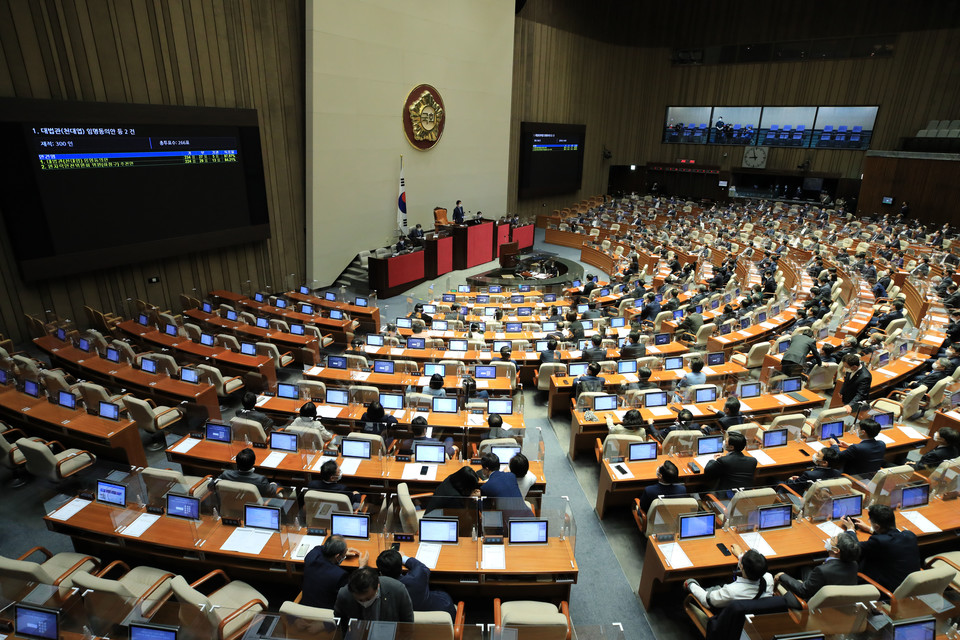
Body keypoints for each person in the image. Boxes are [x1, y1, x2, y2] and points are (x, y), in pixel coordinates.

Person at [840, 504, 921, 592]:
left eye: (869, 520)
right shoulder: (910, 535)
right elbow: (890, 537)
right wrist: (870, 529)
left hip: (888, 591)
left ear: (877, 526)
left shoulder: (878, 542)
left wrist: (850, 529)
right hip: (911, 587)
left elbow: (853, 547)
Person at [775, 533, 860, 609]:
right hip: (839, 601)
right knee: (805, 568)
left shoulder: (822, 570)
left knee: (784, 578)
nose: (829, 539)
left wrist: (782, 575)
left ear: (836, 550)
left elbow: (803, 591)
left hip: (814, 603)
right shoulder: (854, 564)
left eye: (832, 539)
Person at [685, 546, 773, 610]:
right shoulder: (768, 579)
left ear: (741, 566)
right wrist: (740, 555)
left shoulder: (731, 591)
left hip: (722, 616)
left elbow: (706, 600)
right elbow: (752, 566)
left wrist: (690, 583)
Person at [375, 549, 456, 618]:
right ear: (400, 568)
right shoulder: (416, 578)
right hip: (442, 612)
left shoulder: (378, 589)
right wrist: (403, 557)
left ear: (381, 573)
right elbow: (422, 567)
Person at [334, 567, 414, 631]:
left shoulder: (397, 590)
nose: (364, 603)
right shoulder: (344, 594)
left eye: (368, 598)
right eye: (360, 600)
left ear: (377, 587)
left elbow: (407, 623)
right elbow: (340, 622)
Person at [302, 535, 367, 608]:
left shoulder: (311, 556)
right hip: (325, 612)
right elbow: (353, 592)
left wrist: (340, 550)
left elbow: (320, 548)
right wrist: (362, 567)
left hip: (305, 606)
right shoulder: (339, 575)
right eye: (344, 552)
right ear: (337, 557)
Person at [215, 447, 279, 498]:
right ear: (253, 463)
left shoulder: (226, 474)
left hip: (232, 505)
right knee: (279, 484)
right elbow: (271, 493)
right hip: (253, 507)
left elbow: (211, 485)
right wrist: (274, 484)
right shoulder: (260, 480)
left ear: (237, 463)